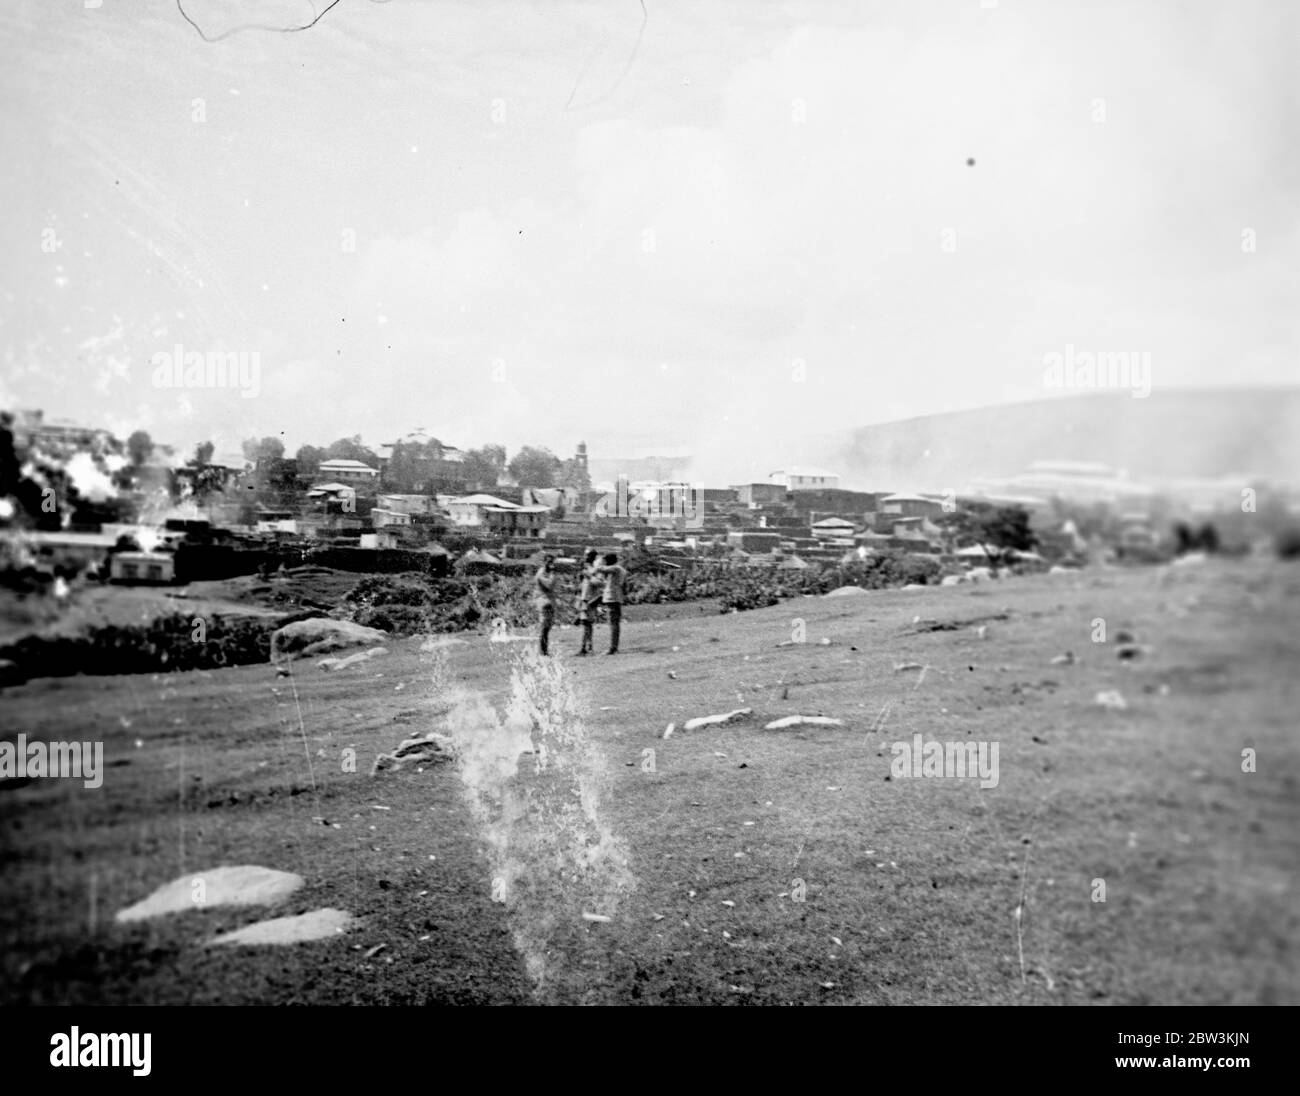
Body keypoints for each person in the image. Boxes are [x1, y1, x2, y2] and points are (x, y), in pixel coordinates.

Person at [599, 550, 629, 655]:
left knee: (613, 623)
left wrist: (598, 564)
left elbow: (601, 569)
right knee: (615, 623)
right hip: (617, 597)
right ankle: (614, 646)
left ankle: (613, 647)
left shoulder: (615, 568)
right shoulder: (620, 570)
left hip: (612, 597)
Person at [574, 549, 602, 655]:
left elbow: (599, 583)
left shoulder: (594, 570)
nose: (586, 557)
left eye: (588, 556)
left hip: (590, 600)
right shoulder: (586, 570)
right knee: (587, 624)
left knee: (587, 624)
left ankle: (585, 648)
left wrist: (589, 576)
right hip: (584, 600)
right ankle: (588, 647)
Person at [534, 554, 558, 656]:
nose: (551, 564)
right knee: (544, 628)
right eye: (548, 562)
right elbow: (549, 585)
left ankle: (544, 650)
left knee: (547, 628)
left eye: (552, 562)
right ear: (544, 562)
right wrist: (553, 574)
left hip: (549, 601)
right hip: (544, 602)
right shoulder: (541, 573)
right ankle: (543, 651)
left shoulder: (548, 573)